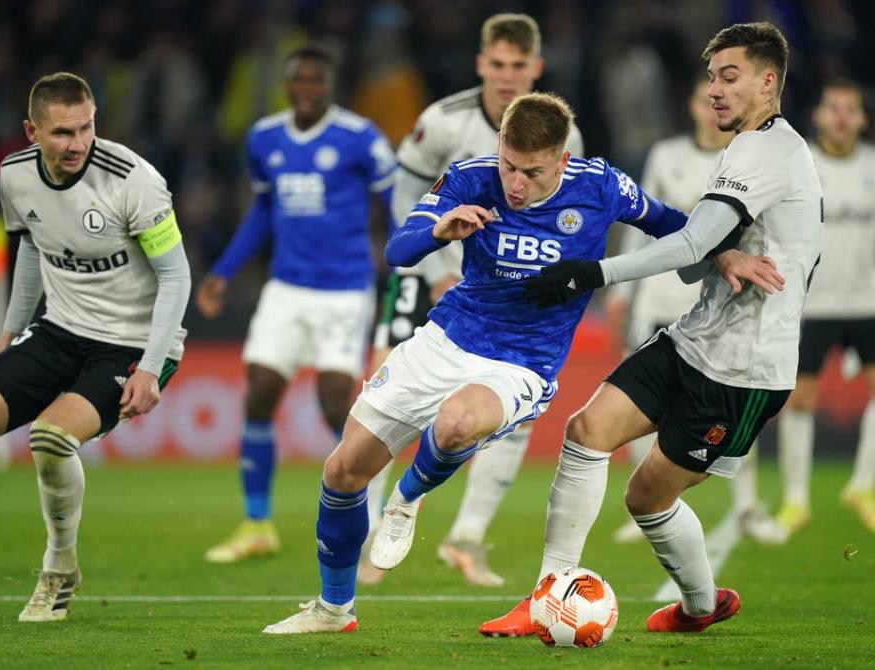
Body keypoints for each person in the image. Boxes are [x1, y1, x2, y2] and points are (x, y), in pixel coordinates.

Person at [260, 91, 774, 635]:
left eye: (531, 172)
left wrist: (723, 252)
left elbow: (673, 222)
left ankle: (406, 501)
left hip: (522, 362)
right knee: (342, 471)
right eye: (508, 165)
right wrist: (439, 230)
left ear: (562, 160)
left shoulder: (600, 186)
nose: (514, 184)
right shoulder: (470, 176)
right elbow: (397, 250)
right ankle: (334, 610)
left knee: (457, 423)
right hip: (446, 337)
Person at [484, 21, 820, 637]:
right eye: (712, 76)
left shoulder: (771, 151)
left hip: (744, 368)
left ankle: (700, 605)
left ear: (769, 82)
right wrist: (719, 256)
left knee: (646, 498)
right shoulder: (746, 144)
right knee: (586, 432)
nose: (715, 89)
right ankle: (543, 600)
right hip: (695, 337)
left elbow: (691, 238)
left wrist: (588, 273)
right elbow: (700, 252)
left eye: (731, 76)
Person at [0, 72, 191, 621]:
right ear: (32, 132)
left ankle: (59, 568)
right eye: (63, 132)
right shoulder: (14, 176)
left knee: (51, 437)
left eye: (86, 128)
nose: (78, 143)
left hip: (130, 344)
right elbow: (31, 253)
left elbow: (176, 277)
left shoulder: (133, 180)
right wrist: (7, 338)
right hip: (59, 329)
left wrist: (151, 369)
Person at [361, 12, 584, 588]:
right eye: (498, 64)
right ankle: (369, 534)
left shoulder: (561, 134)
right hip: (433, 271)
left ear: (536, 68)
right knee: (388, 391)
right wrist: (437, 266)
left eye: (519, 66)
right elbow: (406, 195)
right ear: (481, 63)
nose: (508, 77)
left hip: (506, 290)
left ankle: (466, 537)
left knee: (510, 415)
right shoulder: (443, 120)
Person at [197, 45, 397, 563]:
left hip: (345, 289)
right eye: (298, 80)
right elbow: (262, 210)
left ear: (330, 85)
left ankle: (368, 502)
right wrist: (222, 271)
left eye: (316, 80)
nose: (306, 89)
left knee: (336, 404)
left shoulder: (360, 138)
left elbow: (395, 208)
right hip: (285, 287)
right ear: (287, 85)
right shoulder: (264, 138)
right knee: (259, 393)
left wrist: (406, 270)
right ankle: (257, 522)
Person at [606, 74, 787, 546]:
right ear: (692, 105)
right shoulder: (667, 156)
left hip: (718, 306)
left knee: (728, 406)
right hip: (659, 300)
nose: (711, 108)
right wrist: (621, 293)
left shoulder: (744, 161)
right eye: (702, 98)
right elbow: (638, 221)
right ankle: (644, 505)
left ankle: (747, 506)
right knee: (642, 404)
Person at [775, 79, 875, 534]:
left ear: (862, 119)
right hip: (812, 302)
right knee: (802, 398)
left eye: (850, 109)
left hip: (867, 301)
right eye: (833, 107)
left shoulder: (872, 165)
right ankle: (796, 500)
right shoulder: (801, 165)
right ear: (817, 115)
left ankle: (862, 485)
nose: (841, 116)